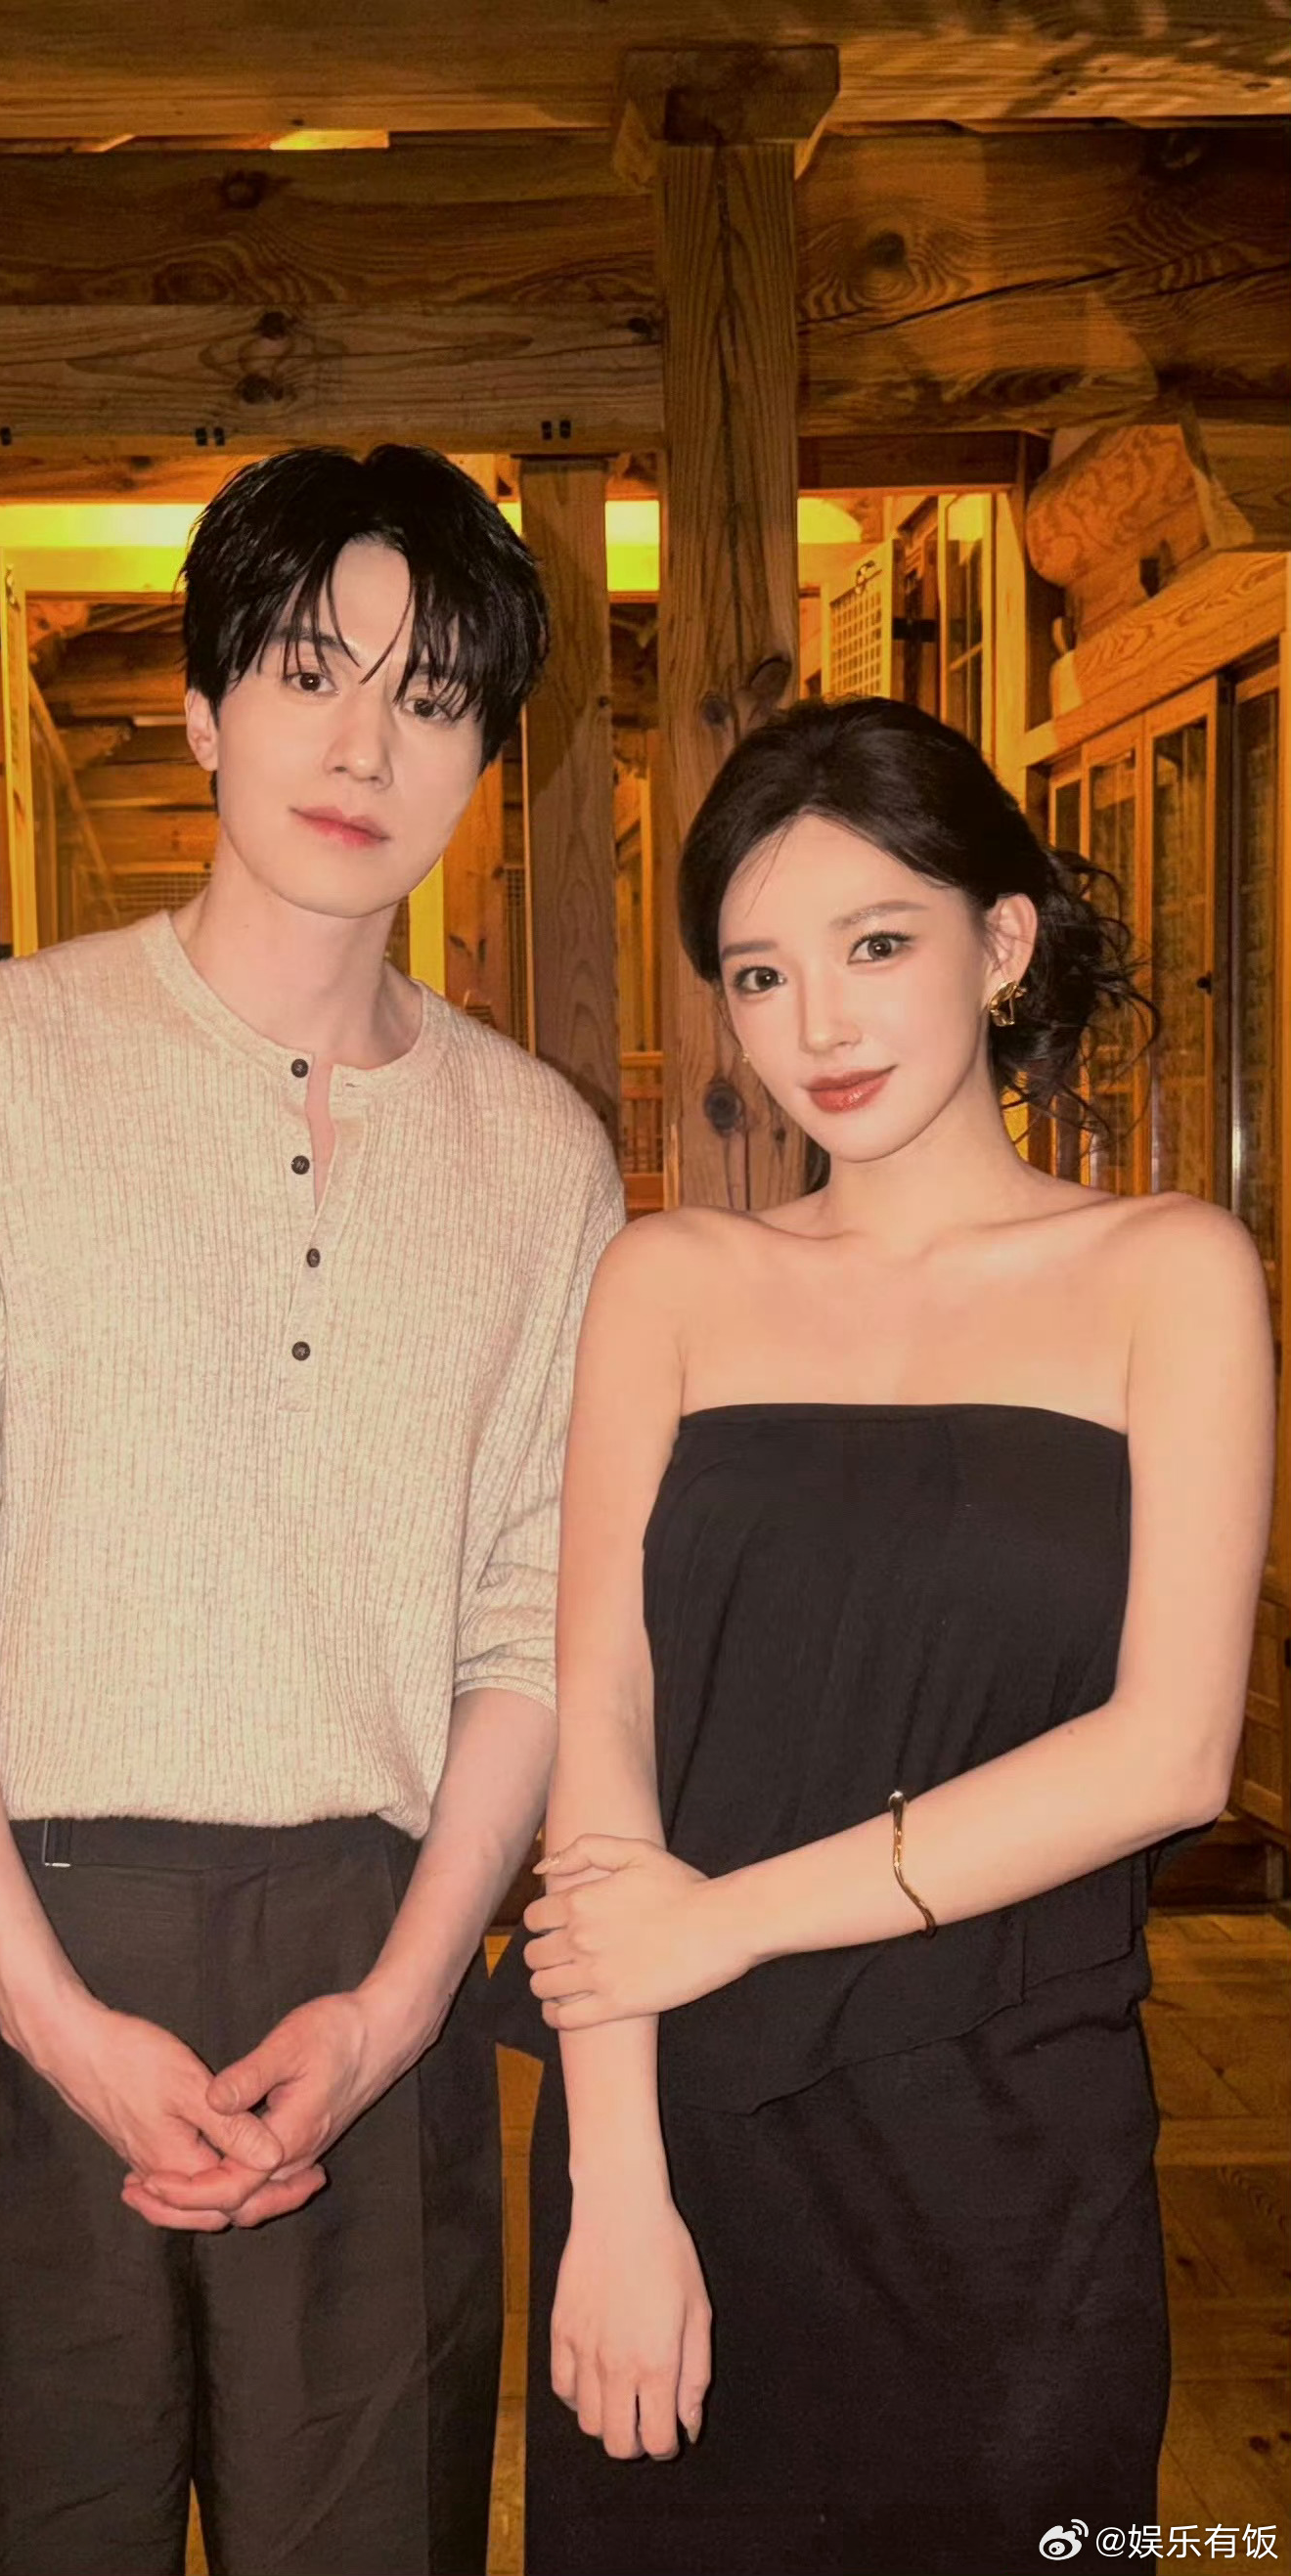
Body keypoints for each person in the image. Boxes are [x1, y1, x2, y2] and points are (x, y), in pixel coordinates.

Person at [0, 443, 623, 2576]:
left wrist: (403, 2001)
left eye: (433, 696)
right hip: (4, 1939)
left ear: (487, 760)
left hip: (368, 1965)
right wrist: (46, 2010)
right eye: (306, 671)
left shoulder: (542, 1158)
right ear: (200, 708)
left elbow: (531, 1621)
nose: (365, 745)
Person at [514, 695, 1273, 2576]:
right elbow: (600, 1709)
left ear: (999, 941)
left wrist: (728, 1915)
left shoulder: (1169, 1273)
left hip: (1007, 2141)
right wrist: (614, 2178)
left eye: (873, 945)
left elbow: (1169, 1752)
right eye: (759, 975)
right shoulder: (669, 1277)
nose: (819, 1028)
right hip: (683, 2126)